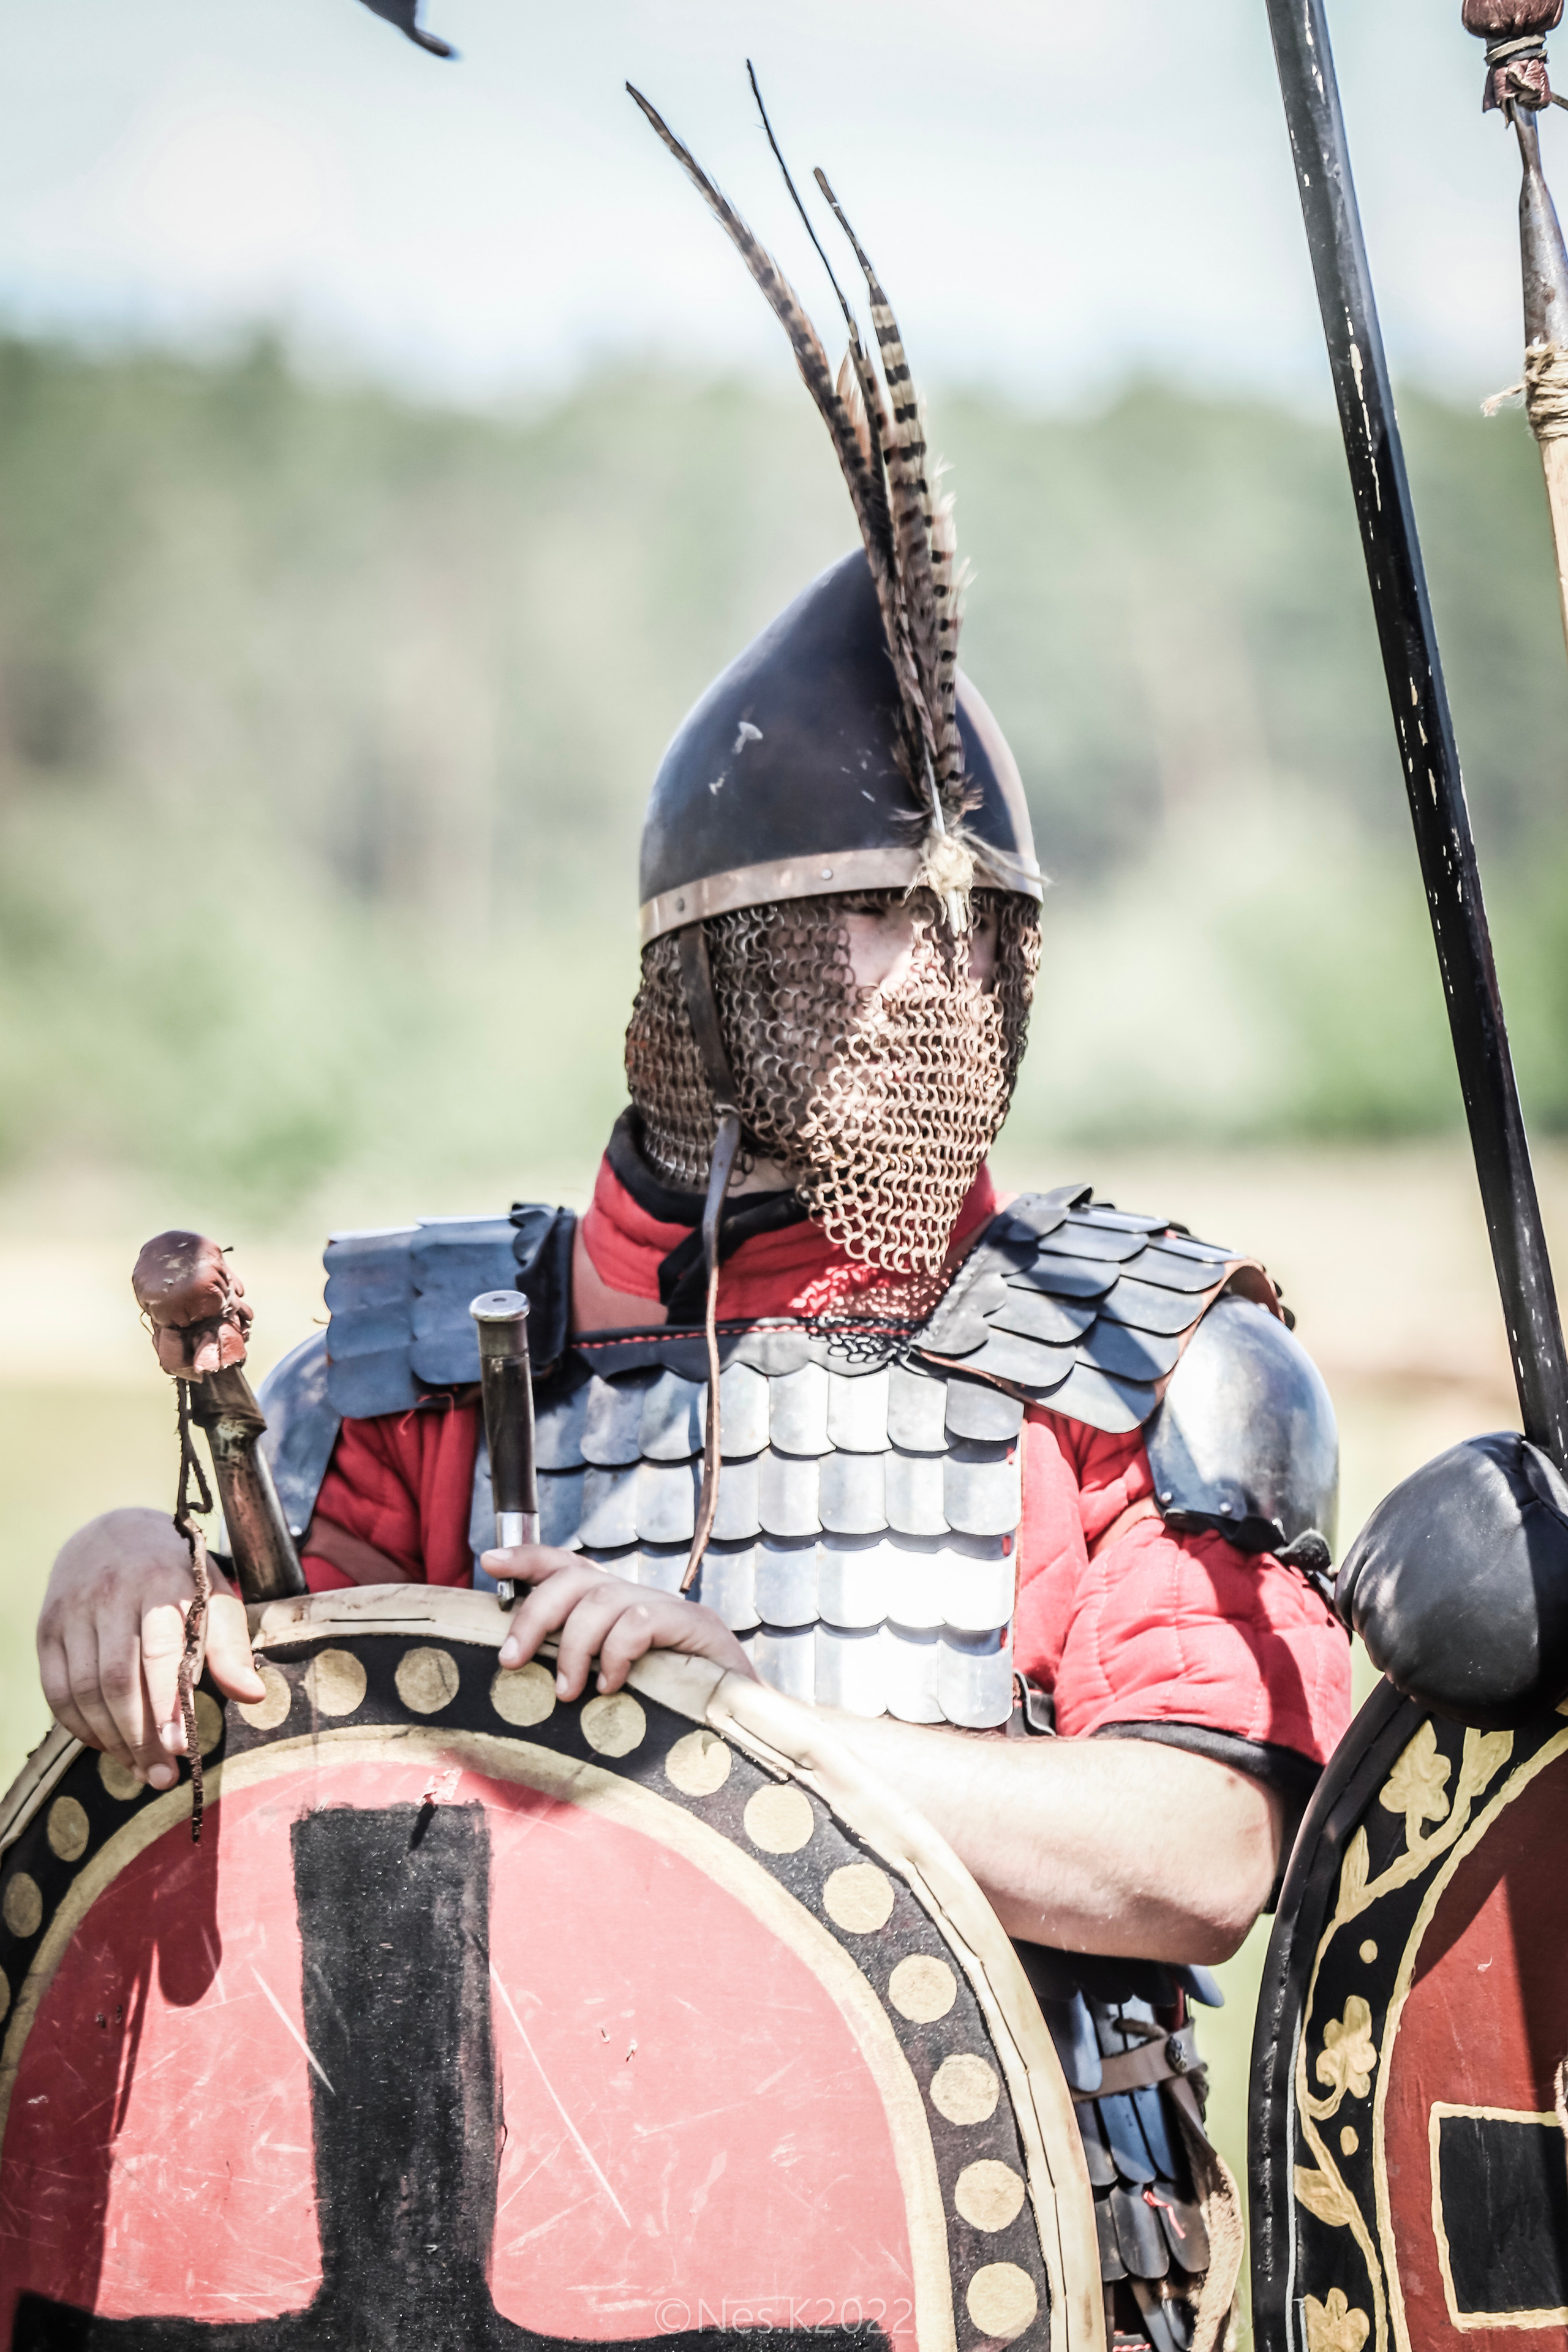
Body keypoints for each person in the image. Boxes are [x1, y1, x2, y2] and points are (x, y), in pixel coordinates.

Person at [34, 96, 1352, 2352]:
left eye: (972, 930)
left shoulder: (1128, 1360)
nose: (933, 972)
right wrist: (131, 1586)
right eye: (859, 921)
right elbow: (294, 1742)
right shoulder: (436, 1361)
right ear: (710, 972)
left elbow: (1213, 1856)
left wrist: (772, 1752)